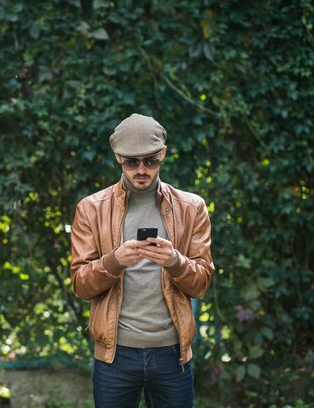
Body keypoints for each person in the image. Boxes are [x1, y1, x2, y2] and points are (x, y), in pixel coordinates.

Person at [70, 113, 215, 408]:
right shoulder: (90, 209)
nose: (141, 170)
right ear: (118, 158)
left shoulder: (192, 207)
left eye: (150, 160)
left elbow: (201, 284)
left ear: (162, 154)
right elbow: (81, 286)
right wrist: (114, 261)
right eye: (131, 162)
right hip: (115, 356)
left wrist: (175, 261)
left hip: (172, 355)